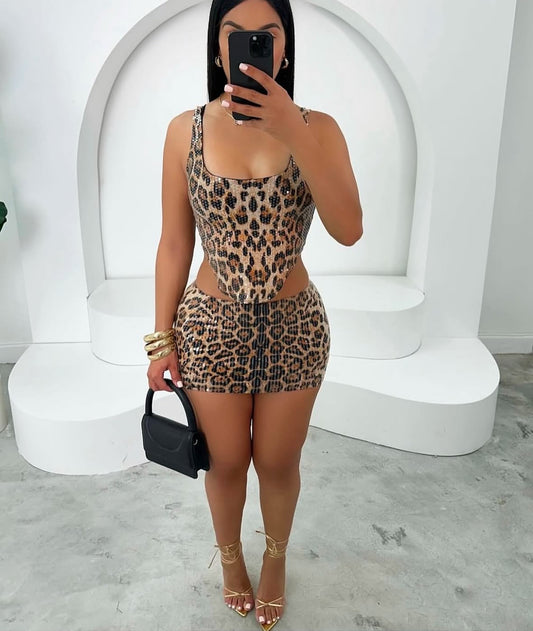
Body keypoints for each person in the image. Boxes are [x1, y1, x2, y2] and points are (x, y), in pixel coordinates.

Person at [145, 0, 363, 628]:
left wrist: (293, 130)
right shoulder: (184, 130)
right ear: (217, 49)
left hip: (295, 328)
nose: (248, 47)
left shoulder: (318, 128)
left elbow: (349, 229)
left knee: (277, 462)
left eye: (265, 36)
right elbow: (174, 243)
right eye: (233, 35)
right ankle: (230, 558)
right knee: (226, 463)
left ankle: (275, 557)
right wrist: (161, 339)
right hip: (210, 327)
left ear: (284, 48)